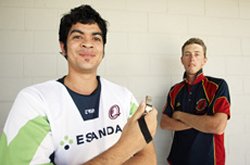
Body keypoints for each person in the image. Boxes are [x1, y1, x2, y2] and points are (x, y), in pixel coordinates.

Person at [0, 4, 158, 165]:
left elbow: (148, 159)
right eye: (77, 37)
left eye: (96, 38)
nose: (87, 44)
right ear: (63, 47)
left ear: (103, 49)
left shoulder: (123, 97)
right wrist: (126, 147)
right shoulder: (34, 101)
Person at [160, 38, 231, 165]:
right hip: (178, 160)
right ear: (182, 60)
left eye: (197, 54)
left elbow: (217, 126)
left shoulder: (218, 85)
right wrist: (202, 122)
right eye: (187, 54)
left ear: (204, 60)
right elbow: (164, 123)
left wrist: (179, 115)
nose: (192, 58)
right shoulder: (174, 90)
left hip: (209, 160)